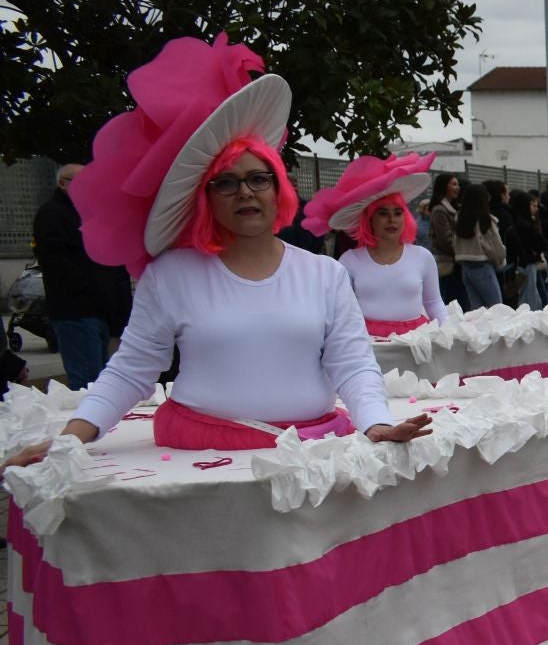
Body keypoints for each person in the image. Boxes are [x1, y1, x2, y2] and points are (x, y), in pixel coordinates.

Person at [9, 33, 432, 464]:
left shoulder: (325, 273)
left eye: (258, 179)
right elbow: (131, 369)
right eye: (226, 182)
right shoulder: (171, 275)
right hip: (201, 459)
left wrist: (376, 423)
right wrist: (71, 438)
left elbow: (353, 364)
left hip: (313, 452)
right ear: (206, 197)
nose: (245, 192)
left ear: (277, 190)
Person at [303, 152, 447, 336]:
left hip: (415, 342)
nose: (391, 220)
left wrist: (448, 333)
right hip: (366, 342)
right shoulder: (350, 260)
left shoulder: (422, 257)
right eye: (382, 213)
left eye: (397, 212)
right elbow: (338, 309)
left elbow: (434, 302)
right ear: (369, 219)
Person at [34, 162, 132, 389]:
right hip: (76, 311)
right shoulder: (52, 214)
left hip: (102, 311)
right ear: (62, 184)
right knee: (88, 382)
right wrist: (96, 290)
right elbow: (58, 264)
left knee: (107, 378)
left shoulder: (91, 213)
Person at [451, 179, 506, 308]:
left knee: (476, 309)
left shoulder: (460, 218)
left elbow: (454, 243)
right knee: (497, 308)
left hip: (465, 268)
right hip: (483, 267)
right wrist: (501, 261)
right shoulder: (485, 220)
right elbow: (496, 247)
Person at [428, 171, 463, 310]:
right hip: (449, 265)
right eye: (454, 184)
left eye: (458, 184)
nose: (458, 188)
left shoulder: (453, 208)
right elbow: (445, 239)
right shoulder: (439, 210)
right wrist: (463, 250)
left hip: (456, 263)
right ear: (444, 186)